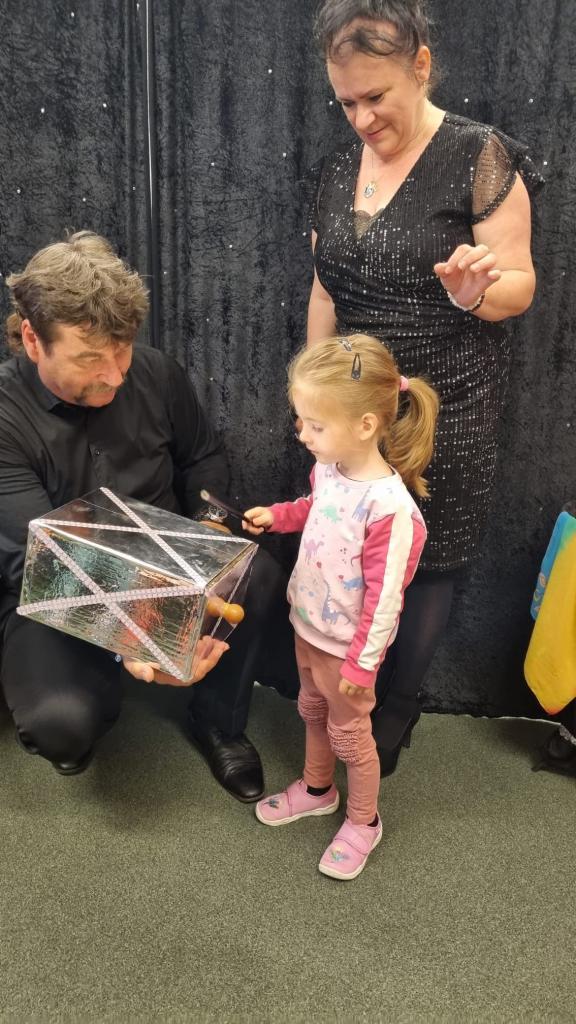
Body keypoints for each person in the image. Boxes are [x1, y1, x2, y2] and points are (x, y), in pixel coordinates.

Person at [306, 0, 543, 773]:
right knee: (348, 554)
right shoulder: (336, 168)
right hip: (354, 413)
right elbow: (325, 288)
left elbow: (520, 285)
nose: (362, 118)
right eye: (347, 102)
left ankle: (393, 717)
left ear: (421, 66)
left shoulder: (479, 154)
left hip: (448, 411)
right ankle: (345, 700)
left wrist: (476, 292)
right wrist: (313, 396)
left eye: (376, 96)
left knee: (426, 566)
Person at [0, 230, 275, 801]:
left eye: (122, 349)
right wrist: (139, 630)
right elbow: (36, 558)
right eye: (90, 358)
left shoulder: (157, 372)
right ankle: (97, 695)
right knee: (61, 725)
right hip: (58, 589)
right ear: (32, 339)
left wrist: (209, 533)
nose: (115, 375)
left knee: (257, 570)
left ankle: (218, 721)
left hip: (171, 561)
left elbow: (203, 458)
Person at [243, 334, 439, 880]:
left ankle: (363, 820)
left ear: (366, 425)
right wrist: (279, 516)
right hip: (307, 629)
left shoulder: (391, 510)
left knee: (351, 736)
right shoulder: (329, 469)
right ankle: (317, 789)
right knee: (311, 711)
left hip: (347, 652)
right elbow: (316, 509)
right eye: (301, 421)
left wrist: (362, 664)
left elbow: (385, 600)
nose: (302, 435)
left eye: (315, 425)